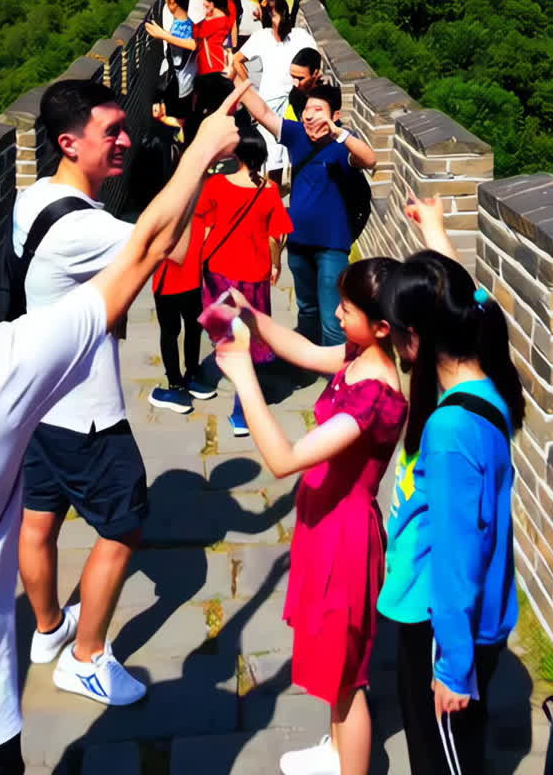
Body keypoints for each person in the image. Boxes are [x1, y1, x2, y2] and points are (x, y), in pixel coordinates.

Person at [0, 92, 243, 775]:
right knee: (122, 524)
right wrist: (200, 154)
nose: (126, 141)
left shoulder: (31, 198)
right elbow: (170, 245)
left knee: (37, 518)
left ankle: (47, 631)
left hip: (29, 419)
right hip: (83, 409)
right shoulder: (74, 246)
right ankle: (88, 655)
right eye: (112, 131)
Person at [215, 259, 407, 775]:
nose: (337, 314)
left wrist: (242, 375)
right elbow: (302, 350)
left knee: (348, 680)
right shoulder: (358, 355)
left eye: (347, 308)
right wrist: (253, 316)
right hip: (322, 526)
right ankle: (338, 750)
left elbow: (283, 460)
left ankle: (353, 764)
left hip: (344, 543)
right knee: (333, 663)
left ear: (383, 326)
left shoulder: (376, 398)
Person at [378, 196, 525, 775]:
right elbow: (475, 301)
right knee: (461, 747)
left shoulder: (448, 430)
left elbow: (459, 555)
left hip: (444, 626)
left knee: (440, 760)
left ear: (414, 338)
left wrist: (453, 667)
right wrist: (436, 232)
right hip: (475, 616)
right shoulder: (489, 376)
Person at [239, 80, 376, 345]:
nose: (309, 114)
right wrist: (237, 81)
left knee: (333, 315)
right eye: (307, 109)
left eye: (318, 109)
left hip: (332, 245)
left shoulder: (342, 145)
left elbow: (370, 161)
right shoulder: (296, 135)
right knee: (307, 310)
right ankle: (308, 363)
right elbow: (264, 113)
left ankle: (337, 376)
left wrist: (340, 134)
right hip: (299, 240)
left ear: (335, 115)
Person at [196, 128, 293, 435]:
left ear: (236, 154)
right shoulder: (269, 190)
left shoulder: (216, 184)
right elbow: (276, 234)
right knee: (248, 343)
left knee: (226, 336)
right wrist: (276, 264)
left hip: (219, 271)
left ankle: (211, 374)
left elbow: (205, 227)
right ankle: (242, 413)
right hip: (254, 275)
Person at [231, 0, 316, 184]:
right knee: (274, 156)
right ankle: (274, 201)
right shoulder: (262, 37)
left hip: (296, 102)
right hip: (271, 103)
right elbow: (237, 60)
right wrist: (250, 91)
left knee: (294, 153)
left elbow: (315, 64)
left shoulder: (300, 36)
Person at [149, 212, 216, 415]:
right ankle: (193, 374)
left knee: (170, 333)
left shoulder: (161, 215)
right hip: (191, 281)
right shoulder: (201, 214)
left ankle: (176, 385)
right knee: (192, 328)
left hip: (166, 283)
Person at [146, 0, 197, 131]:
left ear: (172, 2)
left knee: (181, 126)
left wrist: (164, 36)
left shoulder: (179, 29)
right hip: (188, 82)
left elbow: (195, 45)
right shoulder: (189, 24)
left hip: (180, 86)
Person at [189, 0, 234, 134]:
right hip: (215, 66)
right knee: (215, 106)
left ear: (213, 3)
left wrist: (204, 18)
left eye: (207, 2)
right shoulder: (224, 18)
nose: (204, 4)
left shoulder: (215, 22)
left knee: (205, 108)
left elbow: (197, 32)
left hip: (210, 69)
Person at [284, 46, 323, 121]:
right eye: (292, 77)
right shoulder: (294, 95)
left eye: (300, 78)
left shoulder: (326, 98)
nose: (295, 83)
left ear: (315, 73)